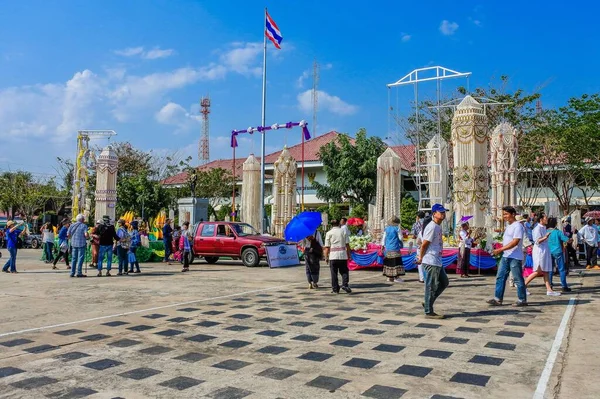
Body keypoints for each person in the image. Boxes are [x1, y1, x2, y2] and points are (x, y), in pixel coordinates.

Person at [487, 206, 528, 307]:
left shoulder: (518, 226)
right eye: (503, 214)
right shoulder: (508, 226)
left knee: (517, 278)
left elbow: (515, 242)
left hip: (515, 256)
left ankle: (522, 299)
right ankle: (498, 298)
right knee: (500, 277)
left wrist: (500, 249)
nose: (504, 216)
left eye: (506, 214)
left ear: (513, 214)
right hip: (506, 256)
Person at [416, 204, 448, 319]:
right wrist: (420, 257)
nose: (443, 214)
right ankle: (429, 311)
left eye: (444, 212)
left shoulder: (438, 226)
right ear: (434, 214)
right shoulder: (432, 227)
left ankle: (428, 302)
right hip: (430, 260)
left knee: (444, 282)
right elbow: (424, 244)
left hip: (437, 260)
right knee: (431, 286)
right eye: (441, 212)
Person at [524, 212, 560, 296]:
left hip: (545, 250)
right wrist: (545, 237)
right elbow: (537, 241)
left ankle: (549, 290)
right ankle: (523, 286)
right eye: (545, 218)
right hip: (539, 251)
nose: (547, 219)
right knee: (538, 271)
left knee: (546, 271)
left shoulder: (543, 227)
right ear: (541, 219)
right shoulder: (537, 228)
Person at [323, 219, 352, 294]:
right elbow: (347, 245)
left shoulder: (329, 233)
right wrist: (349, 255)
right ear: (339, 224)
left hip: (333, 255)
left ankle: (335, 288)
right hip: (342, 254)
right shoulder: (343, 231)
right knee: (344, 271)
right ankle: (345, 284)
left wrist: (326, 257)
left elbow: (327, 247)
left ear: (331, 225)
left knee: (334, 273)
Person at [547, 217, 571, 292]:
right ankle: (564, 286)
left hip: (549, 252)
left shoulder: (545, 231)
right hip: (558, 251)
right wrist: (570, 239)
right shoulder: (558, 232)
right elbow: (567, 240)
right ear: (555, 224)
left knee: (550, 269)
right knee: (561, 269)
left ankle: (550, 285)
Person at [381, 216, 404, 283]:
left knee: (389, 262)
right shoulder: (397, 228)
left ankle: (389, 277)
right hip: (395, 247)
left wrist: (382, 245)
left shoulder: (386, 229)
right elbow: (400, 238)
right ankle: (396, 277)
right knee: (396, 262)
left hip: (388, 248)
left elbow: (384, 238)